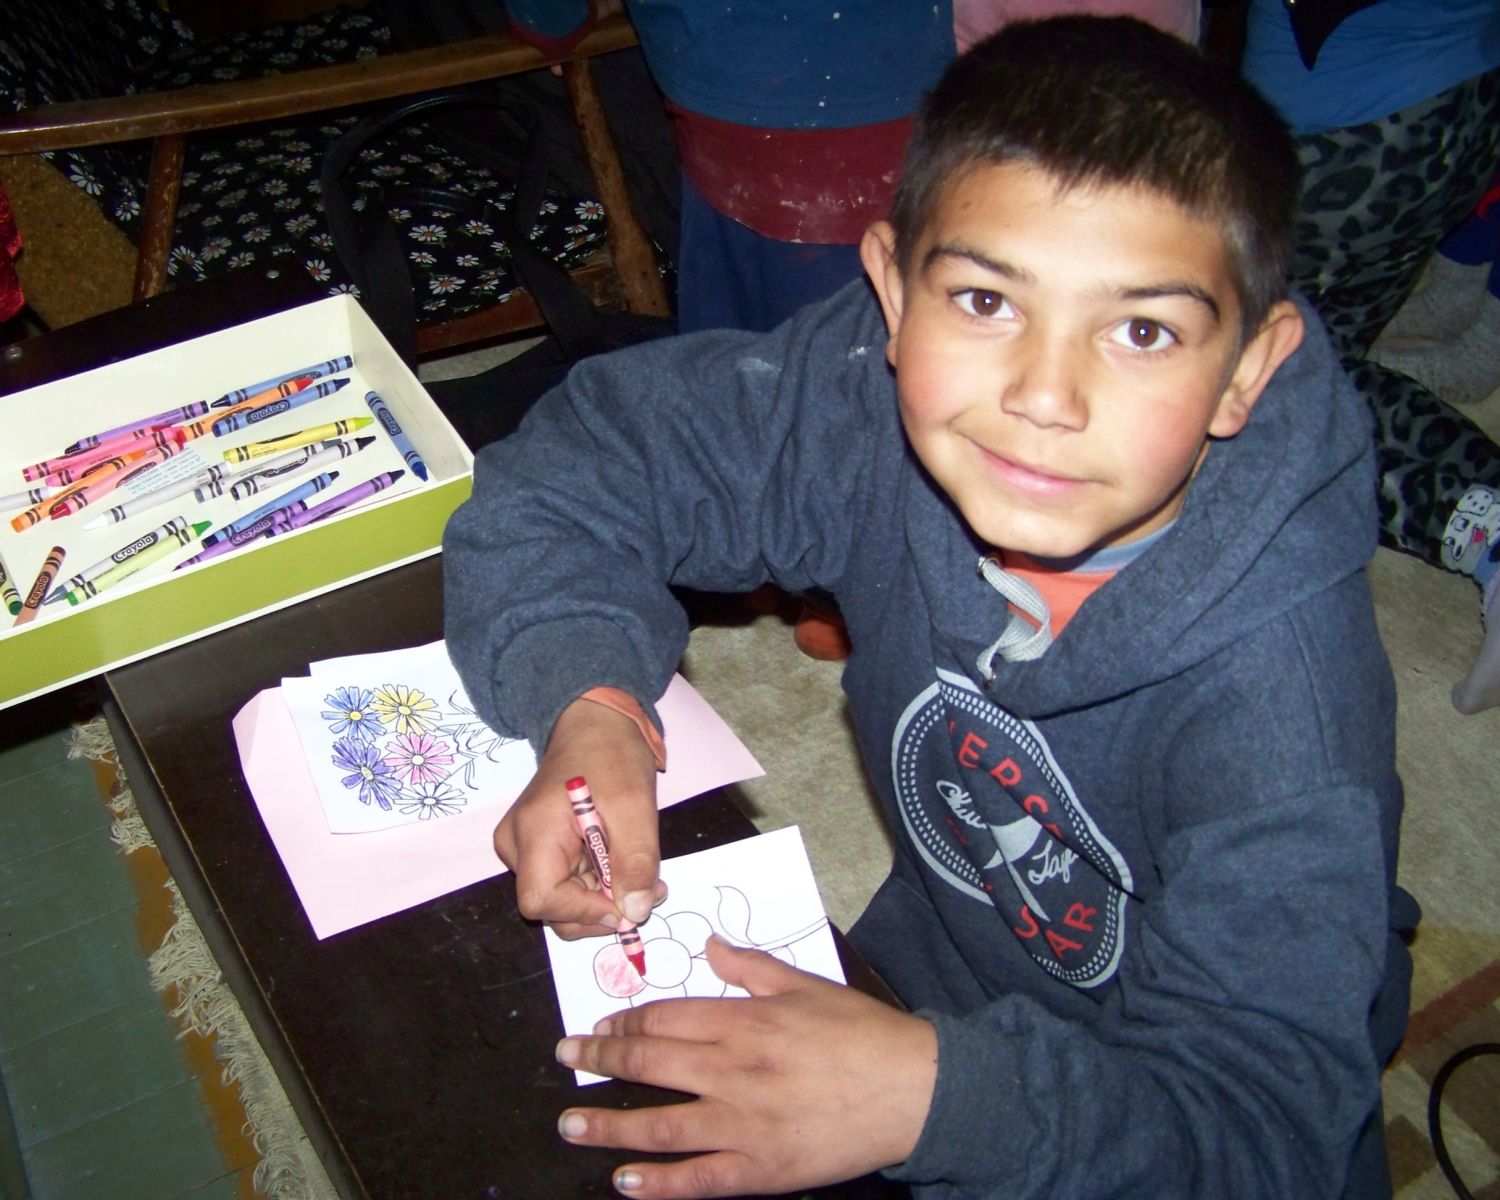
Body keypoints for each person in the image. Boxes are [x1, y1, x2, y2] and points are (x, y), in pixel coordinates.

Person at [444, 16, 1412, 1198]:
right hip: (934, 972)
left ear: (1246, 375)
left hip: (1147, 1119)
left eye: (1143, 330)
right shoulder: (864, 396)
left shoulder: (1284, 712)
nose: (1044, 395)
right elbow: (585, 468)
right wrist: (593, 700)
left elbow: (1264, 1127)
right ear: (893, 294)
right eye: (987, 304)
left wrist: (933, 1099)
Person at [1238, 0, 1500, 712]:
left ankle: (1479, 528)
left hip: (1352, 145)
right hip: (1459, 109)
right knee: (1317, 362)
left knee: (1256, 396)